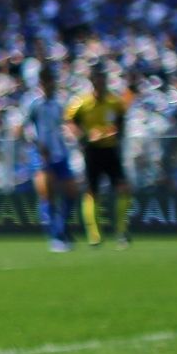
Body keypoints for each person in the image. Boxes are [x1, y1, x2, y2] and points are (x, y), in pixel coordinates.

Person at [66, 67, 132, 248]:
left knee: (123, 188)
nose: (101, 84)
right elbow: (70, 122)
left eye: (103, 80)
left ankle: (121, 231)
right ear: (93, 82)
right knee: (91, 191)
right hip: (92, 151)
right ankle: (94, 235)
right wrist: (85, 137)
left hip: (110, 149)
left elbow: (121, 120)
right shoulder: (82, 102)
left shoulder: (114, 101)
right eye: (97, 81)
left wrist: (117, 132)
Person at [18, 67, 77, 253]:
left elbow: (66, 125)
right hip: (41, 156)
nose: (48, 84)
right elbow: (24, 128)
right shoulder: (33, 103)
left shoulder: (59, 102)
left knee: (71, 193)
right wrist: (36, 143)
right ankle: (55, 236)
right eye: (45, 80)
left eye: (50, 80)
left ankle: (61, 227)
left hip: (60, 153)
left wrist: (71, 134)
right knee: (47, 194)